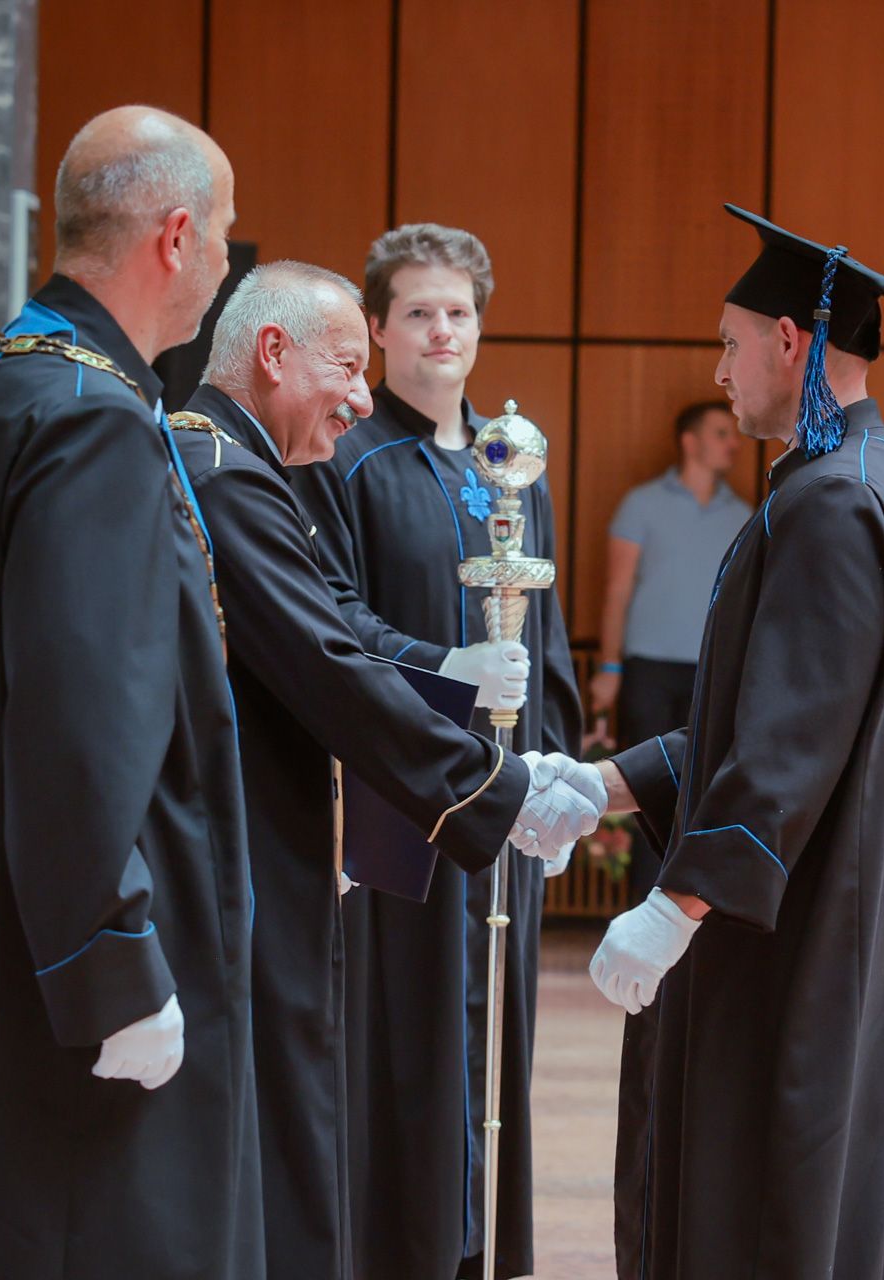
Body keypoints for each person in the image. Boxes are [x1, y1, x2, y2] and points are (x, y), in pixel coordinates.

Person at [0, 107, 261, 1279]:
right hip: (68, 983)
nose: (225, 263)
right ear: (174, 236)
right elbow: (81, 722)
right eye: (224, 234)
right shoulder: (95, 420)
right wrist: (115, 965)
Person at [167, 260, 599, 1279]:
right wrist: (493, 783)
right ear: (275, 351)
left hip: (374, 805)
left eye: (461, 311)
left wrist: (531, 759)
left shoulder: (232, 456)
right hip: (319, 826)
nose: (360, 397)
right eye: (350, 364)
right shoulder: (236, 471)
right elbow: (332, 656)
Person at [581, 203, 884, 1279]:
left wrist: (676, 905)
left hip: (786, 937)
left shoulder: (831, 505)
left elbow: (789, 748)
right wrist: (603, 782)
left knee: (755, 1212)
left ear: (791, 340)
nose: (720, 369)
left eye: (730, 344)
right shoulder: (874, 481)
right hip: (826, 917)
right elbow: (764, 717)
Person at [287, 222, 581, 1280]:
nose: (441, 330)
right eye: (417, 311)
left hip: (506, 795)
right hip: (401, 804)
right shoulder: (349, 458)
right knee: (408, 1037)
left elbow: (552, 636)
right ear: (377, 329)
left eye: (458, 311)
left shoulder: (516, 461)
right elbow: (332, 620)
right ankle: (406, 1248)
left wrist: (555, 770)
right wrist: (445, 666)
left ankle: (481, 1250)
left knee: (495, 1026)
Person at [589, 398, 749, 903]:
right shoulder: (641, 504)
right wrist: (609, 667)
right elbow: (617, 591)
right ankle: (645, 906)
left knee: (705, 792)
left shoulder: (745, 515)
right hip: (648, 669)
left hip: (712, 673)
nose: (734, 443)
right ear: (690, 441)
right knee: (645, 788)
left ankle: (692, 909)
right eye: (721, 433)